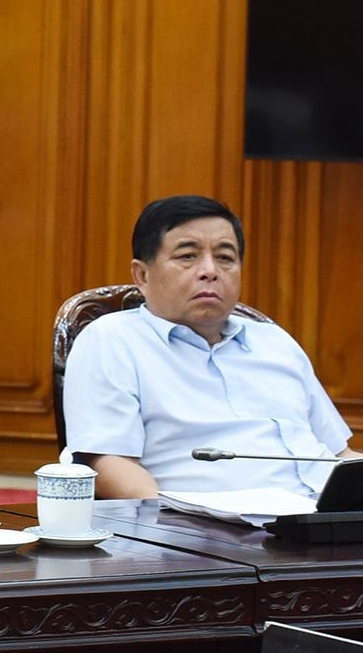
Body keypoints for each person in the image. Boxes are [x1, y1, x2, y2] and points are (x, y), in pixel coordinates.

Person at [64, 195, 358, 500]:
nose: (210, 270)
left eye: (225, 258)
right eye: (188, 256)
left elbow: (340, 452)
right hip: (207, 534)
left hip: (323, 522)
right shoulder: (112, 340)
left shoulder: (275, 341)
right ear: (142, 275)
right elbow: (109, 464)